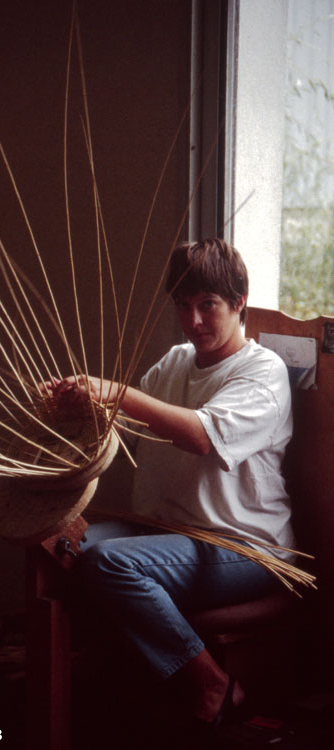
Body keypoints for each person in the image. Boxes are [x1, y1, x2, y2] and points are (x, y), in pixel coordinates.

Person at [48, 238, 295, 730]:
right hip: (169, 532)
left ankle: (215, 683)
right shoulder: (177, 361)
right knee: (57, 545)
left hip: (245, 548)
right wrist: (82, 407)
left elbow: (203, 436)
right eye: (184, 306)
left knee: (109, 562)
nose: (194, 321)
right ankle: (85, 685)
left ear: (239, 302)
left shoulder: (263, 371)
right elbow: (128, 428)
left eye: (209, 306)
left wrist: (116, 393)